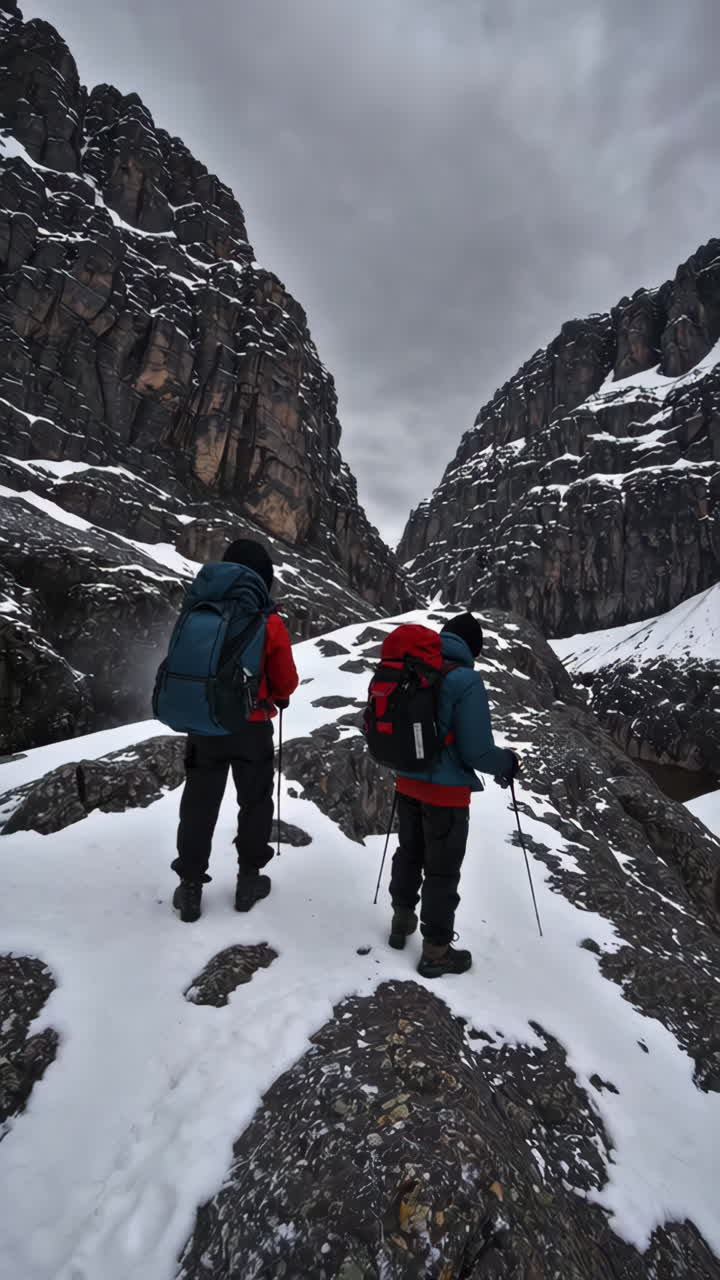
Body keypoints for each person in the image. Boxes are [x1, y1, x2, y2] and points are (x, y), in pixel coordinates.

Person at [170, 539, 298, 922]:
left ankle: (190, 887)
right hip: (251, 726)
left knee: (199, 803)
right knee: (255, 802)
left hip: (204, 724)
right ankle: (247, 881)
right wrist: (275, 694)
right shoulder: (267, 620)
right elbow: (286, 682)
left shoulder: (197, 608)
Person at [388, 611, 519, 978]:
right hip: (446, 796)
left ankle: (400, 923)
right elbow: (476, 751)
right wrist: (507, 763)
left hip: (406, 782)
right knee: (442, 872)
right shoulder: (466, 681)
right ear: (471, 649)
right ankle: (436, 952)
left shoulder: (411, 668)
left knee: (409, 853)